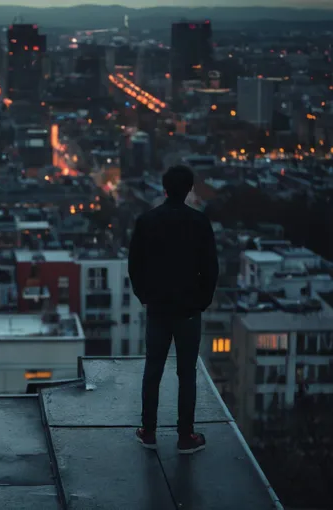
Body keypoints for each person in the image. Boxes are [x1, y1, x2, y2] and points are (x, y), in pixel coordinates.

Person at [128, 165, 219, 454]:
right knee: (187, 373)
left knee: (153, 369)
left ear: (164, 188)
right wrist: (201, 301)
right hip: (189, 310)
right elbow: (211, 269)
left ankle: (149, 431)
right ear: (189, 189)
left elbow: (135, 265)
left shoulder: (147, 221)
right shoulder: (200, 223)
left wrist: (144, 296)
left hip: (158, 307)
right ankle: (185, 436)